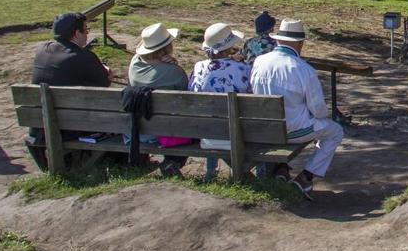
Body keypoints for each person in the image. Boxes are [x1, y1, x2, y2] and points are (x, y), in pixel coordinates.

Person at [250, 18, 344, 196]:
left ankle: (281, 168)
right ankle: (306, 176)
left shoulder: (259, 62)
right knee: (335, 131)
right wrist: (321, 117)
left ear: (277, 39)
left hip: (264, 129)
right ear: (300, 43)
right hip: (291, 130)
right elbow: (318, 109)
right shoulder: (303, 69)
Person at [27, 12, 111, 169]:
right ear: (77, 33)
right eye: (86, 30)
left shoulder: (41, 50)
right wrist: (106, 69)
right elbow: (105, 83)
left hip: (39, 127)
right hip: (70, 128)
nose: (87, 33)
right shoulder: (83, 56)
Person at [189, 23, 251, 180]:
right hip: (238, 133)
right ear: (231, 46)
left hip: (206, 132)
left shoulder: (198, 68)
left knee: (212, 116)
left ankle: (211, 171)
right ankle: (245, 172)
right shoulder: (243, 69)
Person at [128, 23, 188, 177]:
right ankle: (172, 161)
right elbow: (186, 95)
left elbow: (145, 61)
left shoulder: (134, 65)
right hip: (167, 131)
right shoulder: (175, 72)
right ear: (168, 46)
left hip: (139, 130)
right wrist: (173, 64)